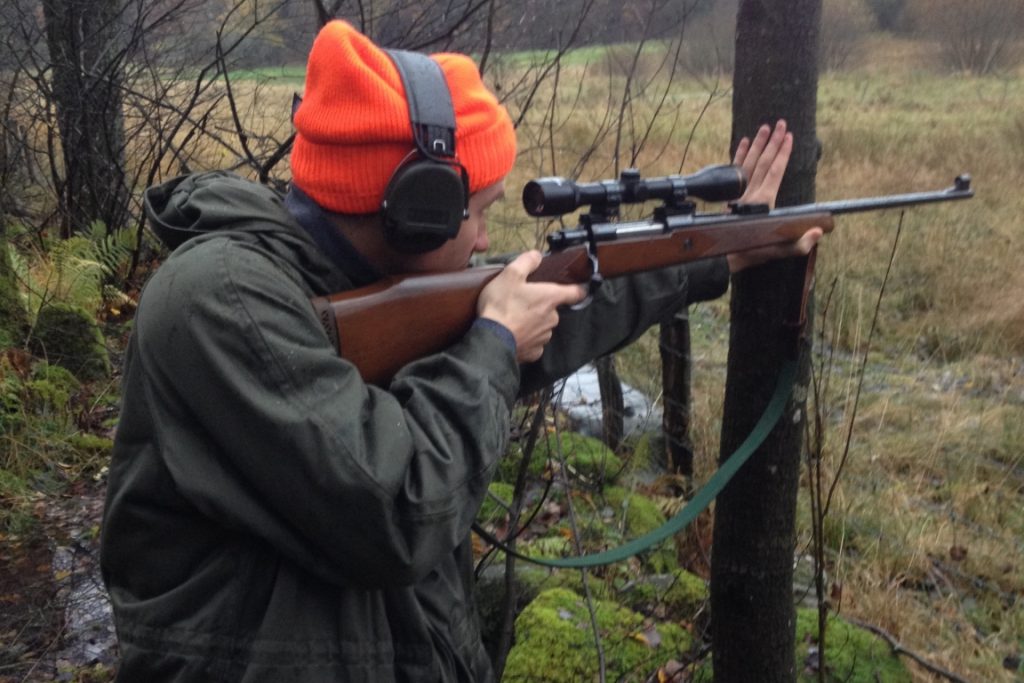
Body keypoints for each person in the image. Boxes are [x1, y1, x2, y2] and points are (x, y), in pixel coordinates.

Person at [99, 19, 821, 683]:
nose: (484, 238)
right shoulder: (219, 300)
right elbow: (396, 509)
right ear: (417, 210)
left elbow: (564, 302)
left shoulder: (362, 283)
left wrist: (716, 253)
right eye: (478, 212)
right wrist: (494, 344)